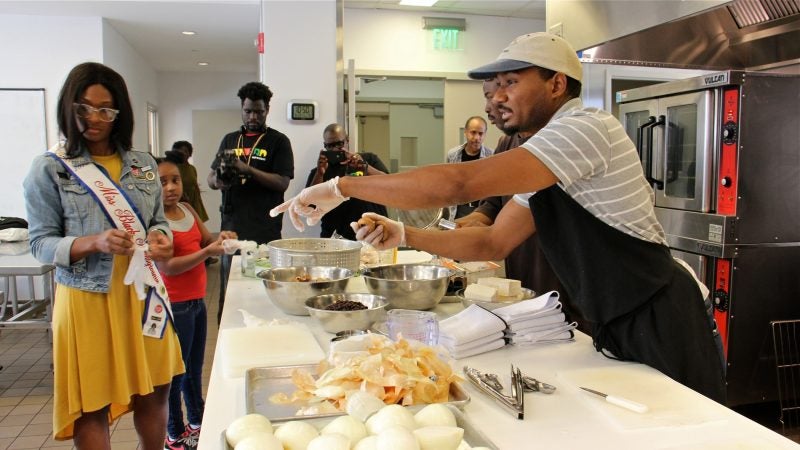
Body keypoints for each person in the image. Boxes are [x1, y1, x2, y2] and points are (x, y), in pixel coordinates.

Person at [271, 33, 726, 402]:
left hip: (661, 315)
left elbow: (459, 184)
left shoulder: (587, 128)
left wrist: (341, 186)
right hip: (615, 315)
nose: (495, 100)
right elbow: (492, 243)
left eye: (510, 82)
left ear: (556, 84)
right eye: (491, 91)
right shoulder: (543, 156)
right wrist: (404, 233)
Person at [22, 62, 184, 449]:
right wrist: (92, 242)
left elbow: (157, 220)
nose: (93, 119)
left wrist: (162, 238)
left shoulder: (142, 164)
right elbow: (40, 243)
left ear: (119, 114)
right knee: (92, 404)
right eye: (84, 108)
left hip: (143, 296)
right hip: (87, 301)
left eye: (105, 110)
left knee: (157, 389)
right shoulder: (50, 169)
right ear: (69, 107)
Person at [455, 79, 588, 333]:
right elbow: (495, 199)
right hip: (522, 267)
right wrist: (479, 216)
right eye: (490, 96)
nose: (491, 105)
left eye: (503, 91)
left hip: (562, 270)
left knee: (569, 332)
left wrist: (408, 235)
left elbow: (460, 183)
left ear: (555, 86)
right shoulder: (509, 144)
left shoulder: (567, 139)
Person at [156, 154, 237, 449]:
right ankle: (174, 434)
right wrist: (208, 253)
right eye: (162, 182)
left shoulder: (187, 209)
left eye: (175, 180)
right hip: (174, 305)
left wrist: (222, 237)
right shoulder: (156, 222)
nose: (170, 188)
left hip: (196, 302)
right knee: (176, 373)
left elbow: (206, 241)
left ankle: (198, 422)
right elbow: (168, 266)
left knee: (194, 368)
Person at [207, 81, 294, 321]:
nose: (253, 116)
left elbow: (282, 182)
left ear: (267, 110)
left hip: (264, 227)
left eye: (259, 111)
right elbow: (210, 180)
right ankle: (229, 330)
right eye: (248, 111)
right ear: (242, 109)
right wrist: (221, 180)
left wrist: (248, 170)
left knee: (262, 287)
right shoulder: (229, 140)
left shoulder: (278, 141)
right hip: (232, 226)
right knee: (230, 288)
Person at [305, 123, 389, 240]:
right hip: (336, 238)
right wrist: (319, 174)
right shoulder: (319, 171)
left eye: (339, 144)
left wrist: (363, 166)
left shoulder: (369, 159)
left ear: (347, 140)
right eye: (330, 145)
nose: (335, 149)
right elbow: (309, 205)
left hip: (374, 233)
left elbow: (389, 184)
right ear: (325, 146)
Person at [445, 116, 493, 220]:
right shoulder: (453, 155)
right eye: (473, 132)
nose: (477, 138)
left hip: (481, 210)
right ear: (466, 132)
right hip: (458, 209)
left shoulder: (492, 156)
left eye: (481, 134)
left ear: (485, 135)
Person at [169, 140, 209, 223]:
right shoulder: (172, 168)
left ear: (190, 154)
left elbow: (195, 185)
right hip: (179, 201)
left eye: (185, 151)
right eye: (179, 151)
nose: (182, 153)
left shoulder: (192, 168)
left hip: (193, 200)